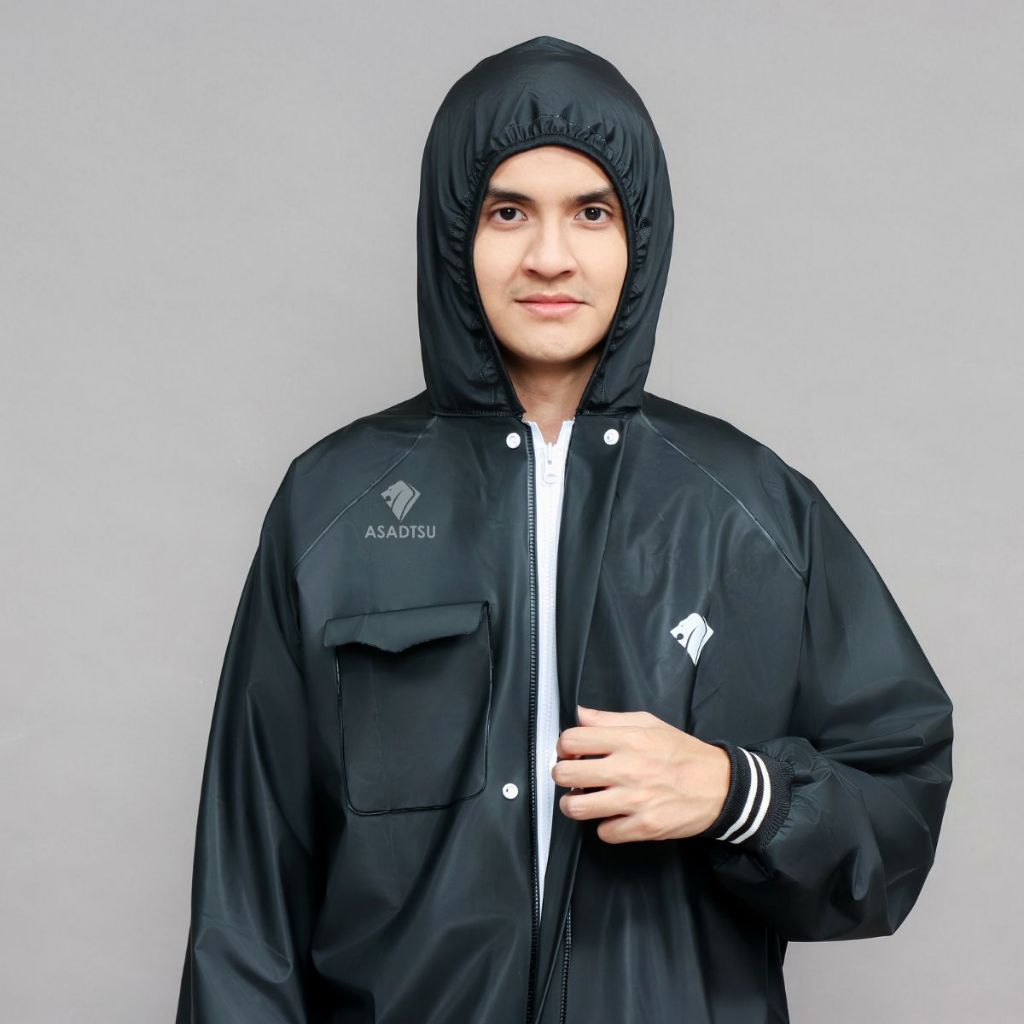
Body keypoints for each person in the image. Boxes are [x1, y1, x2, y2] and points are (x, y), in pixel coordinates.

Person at [175, 35, 954, 1023]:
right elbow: (246, 901)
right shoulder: (333, 506)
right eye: (508, 212)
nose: (550, 256)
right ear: (453, 233)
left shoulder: (748, 509)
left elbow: (895, 807)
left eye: (592, 212)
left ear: (641, 237)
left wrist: (737, 792)